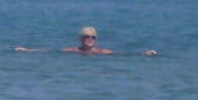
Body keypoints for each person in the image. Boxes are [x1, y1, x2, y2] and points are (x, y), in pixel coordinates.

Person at [14, 26, 157, 56]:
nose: (89, 39)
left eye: (92, 37)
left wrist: (144, 54)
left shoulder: (103, 52)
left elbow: (125, 55)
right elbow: (49, 51)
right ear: (80, 38)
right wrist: (27, 50)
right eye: (86, 37)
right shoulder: (73, 51)